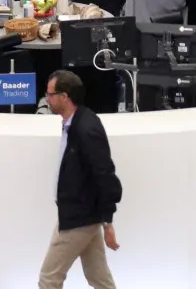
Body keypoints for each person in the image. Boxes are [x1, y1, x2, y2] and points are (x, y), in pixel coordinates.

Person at [39, 69, 121, 289]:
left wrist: (108, 221)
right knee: (99, 278)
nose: (47, 99)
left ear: (64, 97)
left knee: (49, 279)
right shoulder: (76, 123)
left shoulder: (85, 129)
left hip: (78, 218)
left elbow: (105, 175)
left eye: (50, 94)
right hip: (84, 214)